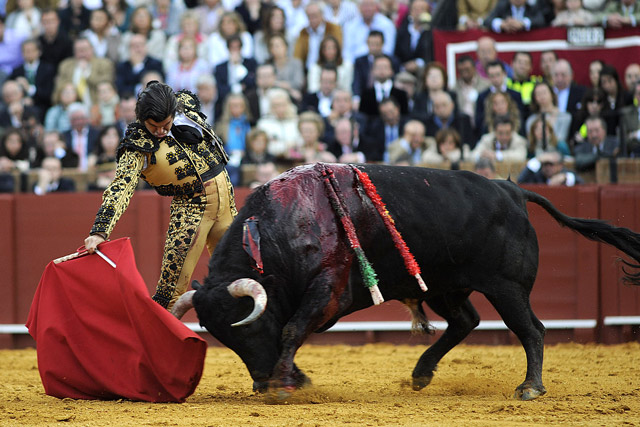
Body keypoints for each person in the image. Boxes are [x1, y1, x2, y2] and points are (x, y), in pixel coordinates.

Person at [83, 82, 236, 311]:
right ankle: (150, 346)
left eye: (166, 124)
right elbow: (121, 187)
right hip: (191, 211)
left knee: (240, 273)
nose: (161, 131)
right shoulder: (137, 146)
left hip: (227, 201)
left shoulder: (184, 107)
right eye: (154, 126)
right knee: (170, 294)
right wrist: (99, 231)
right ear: (142, 119)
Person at [54, 36, 115, 107]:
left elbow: (107, 83)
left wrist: (86, 74)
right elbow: (59, 88)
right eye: (79, 50)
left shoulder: (104, 64)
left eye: (85, 50)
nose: (82, 53)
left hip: (97, 106)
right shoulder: (65, 65)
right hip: (71, 107)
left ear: (92, 49)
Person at [8, 38, 55, 119]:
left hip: (42, 107)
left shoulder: (48, 69)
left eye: (32, 50)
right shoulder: (17, 71)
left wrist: (29, 89)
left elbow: (48, 94)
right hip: (19, 106)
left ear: (39, 52)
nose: (28, 53)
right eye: (25, 51)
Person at [293, 1, 343, 71]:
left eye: (314, 15)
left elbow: (339, 49)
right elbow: (298, 56)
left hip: (329, 68)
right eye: (309, 16)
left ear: (322, 14)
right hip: (308, 70)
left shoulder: (333, 28)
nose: (312, 19)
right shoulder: (304, 32)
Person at [525, 81, 573, 146]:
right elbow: (531, 142)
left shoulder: (565, 117)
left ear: (552, 94)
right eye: (538, 94)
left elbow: (561, 139)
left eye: (544, 92)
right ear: (534, 98)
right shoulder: (531, 120)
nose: (542, 96)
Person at [394, 0, 432, 75]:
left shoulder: (431, 32)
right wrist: (405, 66)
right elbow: (397, 54)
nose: (418, 12)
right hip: (404, 71)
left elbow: (432, 55)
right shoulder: (402, 31)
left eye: (422, 9)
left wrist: (418, 63)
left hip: (425, 72)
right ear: (410, 12)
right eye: (415, 9)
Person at [454, 55, 490, 129]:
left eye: (467, 69)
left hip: (482, 125)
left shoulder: (486, 85)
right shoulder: (454, 89)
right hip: (462, 127)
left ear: (474, 68)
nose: (464, 72)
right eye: (461, 70)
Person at [517, 150, 583, 186]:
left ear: (560, 166)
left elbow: (581, 183)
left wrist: (565, 178)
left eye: (551, 164)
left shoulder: (565, 174)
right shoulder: (538, 176)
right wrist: (538, 159)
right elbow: (520, 182)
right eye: (545, 164)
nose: (547, 168)